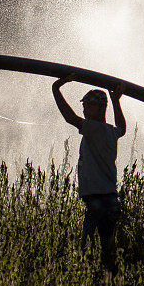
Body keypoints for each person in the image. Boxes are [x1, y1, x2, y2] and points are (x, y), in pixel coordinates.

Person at [52, 73, 126, 272]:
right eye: (84, 105)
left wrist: (56, 89)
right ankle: (112, 283)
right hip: (110, 199)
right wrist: (116, 102)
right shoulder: (111, 131)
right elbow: (122, 128)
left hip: (98, 200)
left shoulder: (93, 128)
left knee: (88, 251)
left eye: (89, 105)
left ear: (101, 108)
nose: (84, 109)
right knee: (106, 249)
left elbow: (69, 117)